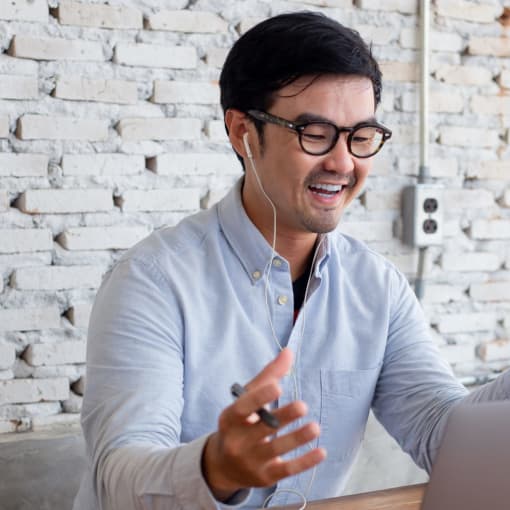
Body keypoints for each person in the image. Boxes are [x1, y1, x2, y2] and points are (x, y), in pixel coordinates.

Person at [73, 11, 510, 510]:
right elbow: (118, 478)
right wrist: (214, 469)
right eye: (315, 132)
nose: (343, 163)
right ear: (242, 132)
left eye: (361, 135)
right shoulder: (152, 280)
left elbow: (444, 438)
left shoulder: (377, 287)